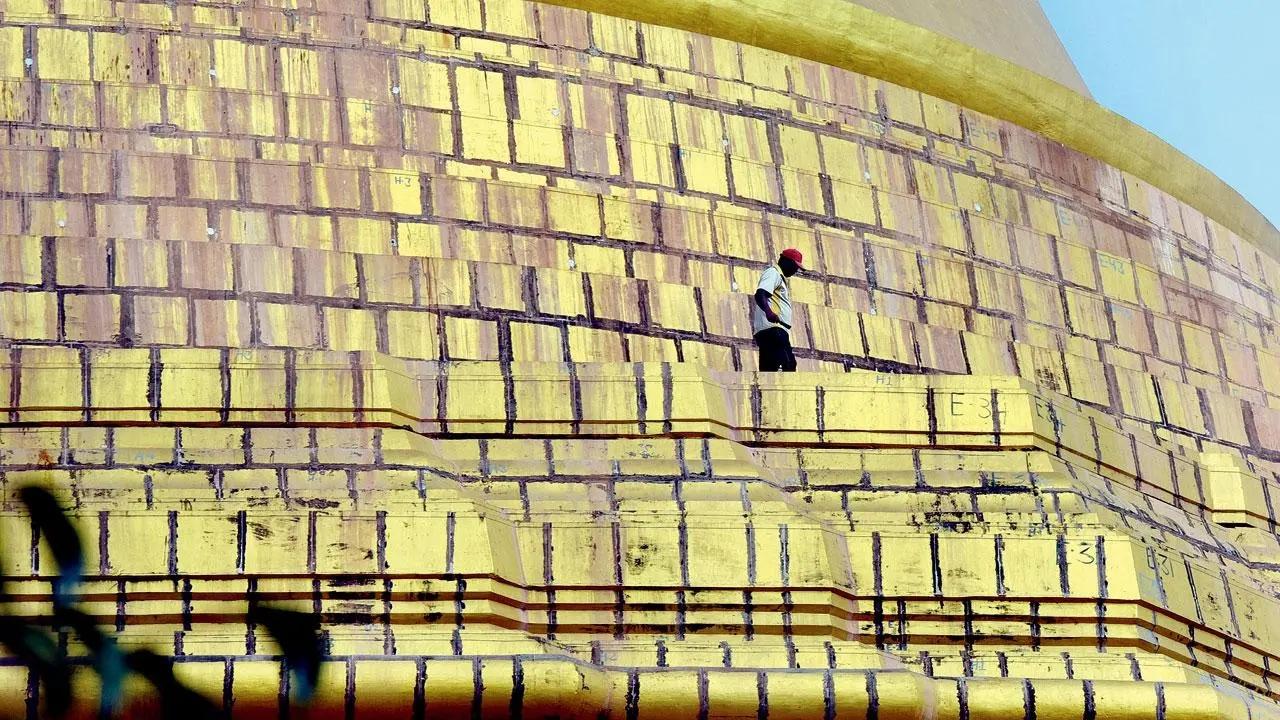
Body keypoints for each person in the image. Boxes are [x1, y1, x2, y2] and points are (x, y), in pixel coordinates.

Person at [751, 248, 802, 372]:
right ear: (785, 261)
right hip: (774, 329)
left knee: (770, 368)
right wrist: (769, 312)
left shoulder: (779, 276)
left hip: (772, 329)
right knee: (787, 365)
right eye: (794, 266)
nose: (796, 270)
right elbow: (760, 293)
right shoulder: (773, 273)